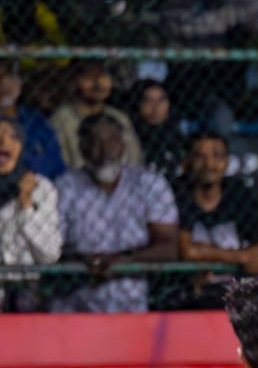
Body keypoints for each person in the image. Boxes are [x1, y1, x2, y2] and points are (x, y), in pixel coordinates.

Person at [52, 114, 178, 313]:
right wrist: (85, 261)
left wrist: (122, 262)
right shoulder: (64, 186)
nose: (104, 150)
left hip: (132, 304)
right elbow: (51, 247)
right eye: (94, 141)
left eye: (111, 140)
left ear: (123, 144)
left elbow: (168, 247)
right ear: (82, 147)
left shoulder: (149, 183)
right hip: (76, 304)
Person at [175, 133, 258, 308]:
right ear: (188, 161)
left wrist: (209, 254)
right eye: (200, 156)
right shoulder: (178, 194)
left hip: (236, 297)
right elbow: (188, 251)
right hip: (187, 298)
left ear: (227, 162)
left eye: (217, 156)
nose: (209, 164)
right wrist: (243, 257)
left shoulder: (238, 193)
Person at [0, 118, 62, 311]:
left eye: (13, 137)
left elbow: (50, 254)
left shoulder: (40, 188)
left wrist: (27, 205)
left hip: (26, 294)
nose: (4, 143)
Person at [50, 61, 142, 171]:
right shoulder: (62, 119)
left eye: (103, 76)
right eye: (89, 77)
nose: (98, 84)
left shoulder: (119, 117)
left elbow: (135, 160)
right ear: (73, 82)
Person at [0, 59, 64, 179]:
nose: (3, 82)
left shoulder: (37, 123)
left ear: (18, 79)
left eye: (9, 74)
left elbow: (57, 171)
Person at [129, 80, 185, 180]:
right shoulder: (130, 136)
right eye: (148, 101)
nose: (156, 107)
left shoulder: (178, 136)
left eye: (161, 100)